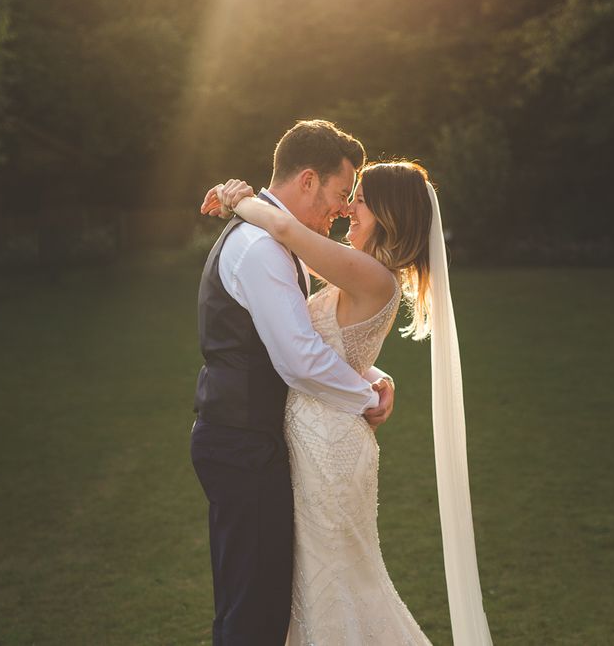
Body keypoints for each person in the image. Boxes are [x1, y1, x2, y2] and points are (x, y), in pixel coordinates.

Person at [204, 160, 494, 645]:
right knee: (323, 581)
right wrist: (376, 380)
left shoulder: (369, 273)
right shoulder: (365, 270)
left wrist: (236, 198)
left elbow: (280, 224)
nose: (348, 210)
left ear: (387, 213)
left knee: (333, 581)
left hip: (328, 443)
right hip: (321, 434)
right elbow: (342, 344)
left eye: (359, 200)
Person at [190, 120, 397, 646]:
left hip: (252, 441)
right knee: (252, 614)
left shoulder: (279, 242)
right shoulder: (261, 247)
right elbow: (299, 358)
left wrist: (373, 373)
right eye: (339, 192)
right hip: (243, 443)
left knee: (256, 602)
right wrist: (363, 396)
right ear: (307, 180)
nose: (344, 207)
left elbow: (309, 333)